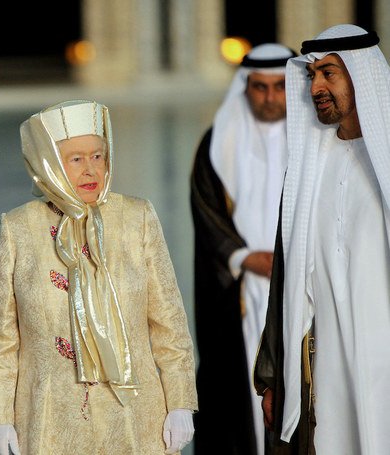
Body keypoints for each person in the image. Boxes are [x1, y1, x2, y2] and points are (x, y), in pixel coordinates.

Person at [0, 100, 198, 455]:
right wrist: (0, 416)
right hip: (48, 419)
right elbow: (0, 338)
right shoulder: (18, 228)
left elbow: (168, 322)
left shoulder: (137, 218)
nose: (90, 170)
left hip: (136, 417)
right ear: (48, 164)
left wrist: (181, 402)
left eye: (98, 156)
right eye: (76, 159)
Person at [253, 24, 390, 454]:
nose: (316, 87)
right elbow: (286, 287)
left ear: (360, 76)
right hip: (328, 370)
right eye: (312, 75)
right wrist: (276, 377)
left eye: (329, 74)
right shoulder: (308, 173)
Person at [190, 43, 295, 455]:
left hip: (302, 285)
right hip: (243, 293)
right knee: (241, 389)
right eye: (260, 88)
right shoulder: (217, 143)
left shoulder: (317, 139)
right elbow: (205, 209)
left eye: (280, 87)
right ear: (245, 88)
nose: (270, 98)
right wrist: (242, 256)